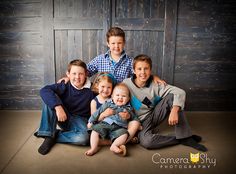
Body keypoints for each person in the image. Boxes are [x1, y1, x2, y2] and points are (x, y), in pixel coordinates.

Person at [123, 54, 208, 151]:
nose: (143, 72)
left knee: (172, 97)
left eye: (146, 68)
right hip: (134, 121)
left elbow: (180, 92)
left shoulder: (156, 85)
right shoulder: (125, 84)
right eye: (139, 69)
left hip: (151, 117)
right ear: (134, 70)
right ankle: (181, 139)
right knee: (147, 142)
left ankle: (185, 136)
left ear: (150, 70)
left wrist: (175, 110)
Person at [34, 59, 95, 155]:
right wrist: (58, 107)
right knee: (50, 98)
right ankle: (47, 135)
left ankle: (52, 134)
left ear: (86, 74)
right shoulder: (65, 85)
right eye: (74, 73)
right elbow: (44, 90)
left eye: (81, 74)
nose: (77, 77)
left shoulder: (92, 89)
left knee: (84, 139)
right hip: (63, 116)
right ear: (68, 74)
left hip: (80, 120)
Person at [85, 83, 139, 156]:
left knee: (125, 135)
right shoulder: (108, 104)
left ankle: (114, 146)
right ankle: (93, 148)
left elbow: (134, 118)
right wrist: (91, 121)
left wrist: (129, 116)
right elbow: (97, 113)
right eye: (117, 95)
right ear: (112, 96)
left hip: (119, 128)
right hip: (105, 124)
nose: (120, 98)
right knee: (94, 131)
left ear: (128, 99)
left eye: (123, 96)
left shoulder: (128, 109)